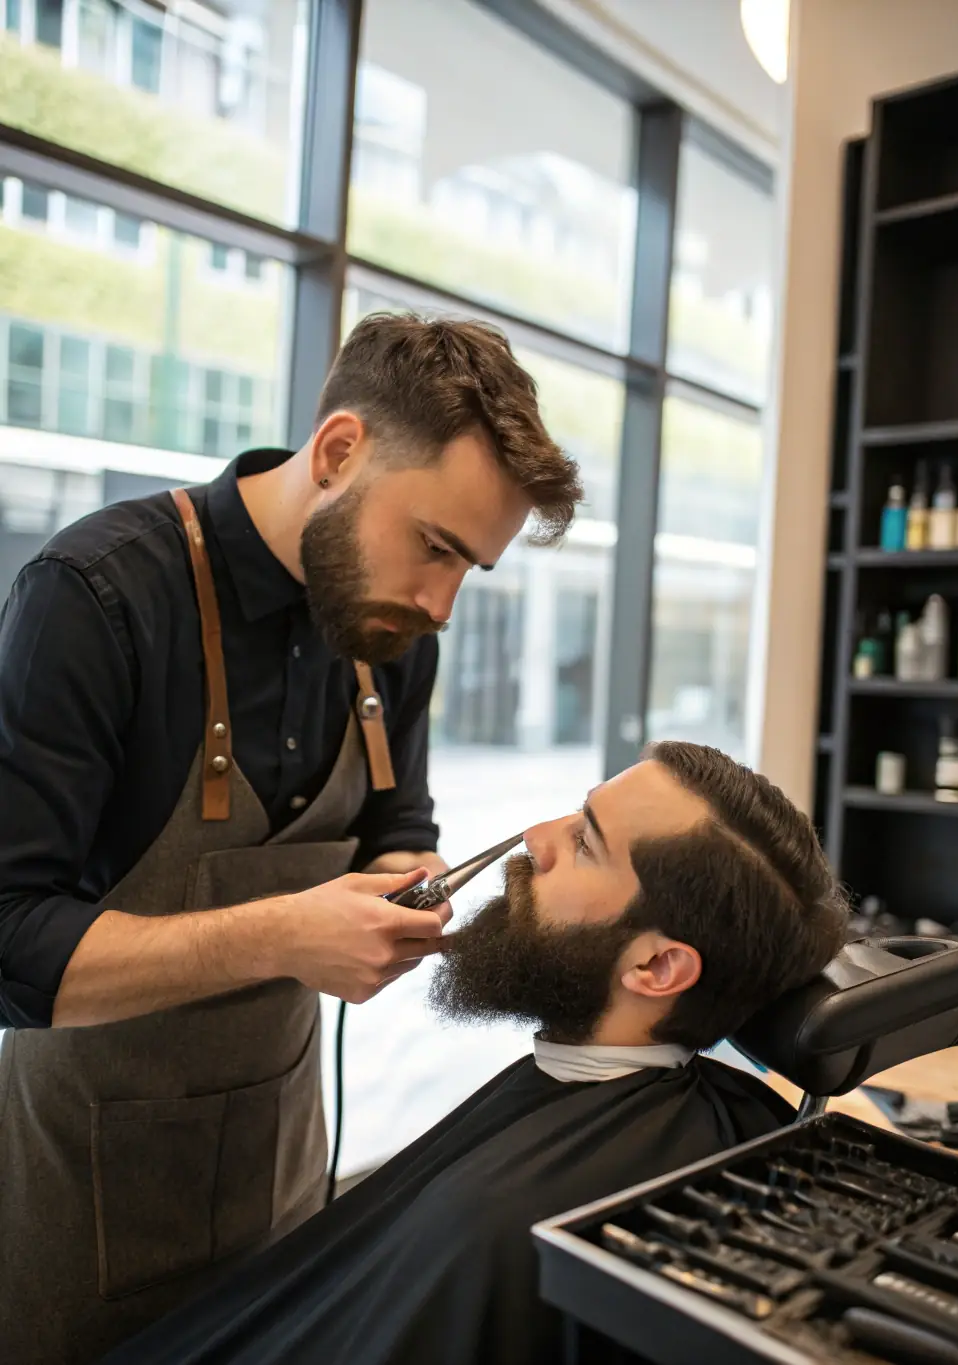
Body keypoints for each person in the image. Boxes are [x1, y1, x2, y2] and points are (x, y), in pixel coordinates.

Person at [0, 313, 583, 1365]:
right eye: (436, 548)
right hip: (74, 1198)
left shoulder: (391, 635)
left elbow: (397, 829)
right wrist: (279, 938)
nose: (441, 604)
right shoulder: (97, 597)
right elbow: (7, 941)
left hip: (279, 1173)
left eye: (470, 571)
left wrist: (411, 887)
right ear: (338, 453)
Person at [101, 742, 850, 1365]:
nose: (536, 835)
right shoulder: (720, 1117)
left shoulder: (500, 1224)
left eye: (585, 841)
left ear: (656, 969)